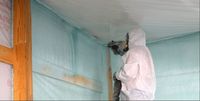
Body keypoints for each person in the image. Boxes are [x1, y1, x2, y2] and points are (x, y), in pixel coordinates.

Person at [109, 28, 156, 100]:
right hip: (146, 94)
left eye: (127, 39)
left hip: (137, 94)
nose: (126, 42)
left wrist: (117, 75)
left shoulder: (133, 51)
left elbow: (128, 73)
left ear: (132, 39)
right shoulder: (145, 51)